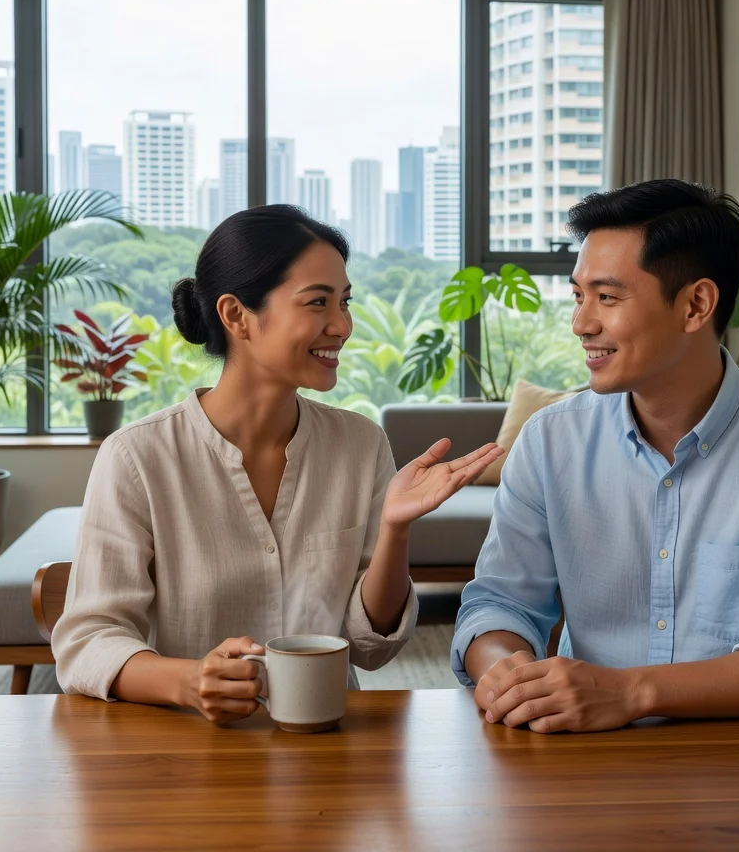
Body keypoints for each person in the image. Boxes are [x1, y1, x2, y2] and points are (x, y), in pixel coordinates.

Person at [452, 179, 739, 732]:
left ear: (696, 305)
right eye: (579, 295)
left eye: (607, 298)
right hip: (586, 764)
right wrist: (506, 674)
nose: (582, 323)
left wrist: (631, 692)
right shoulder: (549, 441)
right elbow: (499, 605)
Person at [53, 205, 501, 723]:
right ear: (236, 314)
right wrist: (189, 681)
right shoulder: (138, 457)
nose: (343, 325)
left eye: (345, 302)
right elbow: (88, 641)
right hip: (188, 749)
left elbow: (371, 648)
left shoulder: (360, 445)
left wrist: (396, 530)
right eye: (317, 303)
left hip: (328, 744)